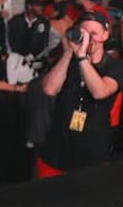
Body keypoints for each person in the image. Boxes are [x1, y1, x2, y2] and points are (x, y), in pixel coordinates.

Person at [36, 12, 123, 177]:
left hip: (92, 157)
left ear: (106, 35)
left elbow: (100, 91)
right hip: (57, 153)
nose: (88, 39)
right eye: (84, 33)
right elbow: (49, 89)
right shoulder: (68, 62)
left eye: (93, 34)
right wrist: (68, 52)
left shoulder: (115, 66)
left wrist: (82, 57)